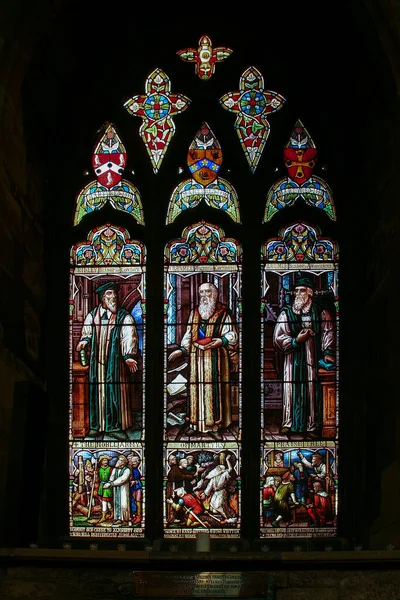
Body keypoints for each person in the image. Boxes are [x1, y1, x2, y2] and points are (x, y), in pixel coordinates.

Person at [168, 282, 238, 433]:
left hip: (217, 357)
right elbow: (188, 334)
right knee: (197, 389)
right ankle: (197, 424)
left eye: (207, 292)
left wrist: (220, 341)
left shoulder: (224, 312)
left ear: (214, 294)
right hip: (197, 358)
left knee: (214, 389)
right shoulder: (195, 313)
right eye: (201, 293)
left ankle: (215, 424)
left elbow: (232, 335)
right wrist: (181, 350)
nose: (204, 296)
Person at [273, 274, 335, 437]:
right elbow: (278, 338)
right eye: (296, 291)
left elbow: (328, 334)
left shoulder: (321, 313)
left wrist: (328, 353)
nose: (298, 294)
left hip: (312, 359)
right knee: (291, 390)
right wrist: (296, 340)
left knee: (310, 390)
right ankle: (288, 423)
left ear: (310, 293)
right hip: (292, 360)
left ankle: (311, 424)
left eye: (302, 291)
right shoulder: (286, 313)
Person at [76, 281, 139, 438]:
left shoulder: (125, 317)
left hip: (115, 363)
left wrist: (129, 356)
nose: (114, 297)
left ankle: (116, 425)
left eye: (115, 294)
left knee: (114, 392)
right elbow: (87, 332)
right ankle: (96, 425)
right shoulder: (92, 315)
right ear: (102, 298)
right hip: (97, 363)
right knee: (96, 392)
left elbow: (128, 336)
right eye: (109, 294)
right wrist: (84, 340)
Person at [201, 453, 238, 524]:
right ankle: (219, 519)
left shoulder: (224, 475)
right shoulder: (214, 478)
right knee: (212, 507)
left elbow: (230, 469)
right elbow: (209, 486)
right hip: (216, 493)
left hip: (222, 492)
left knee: (219, 505)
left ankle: (230, 517)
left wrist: (227, 460)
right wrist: (205, 494)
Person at [103, 454, 131, 525]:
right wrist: (109, 482)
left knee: (124, 504)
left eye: (119, 460)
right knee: (116, 504)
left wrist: (111, 484)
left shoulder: (127, 470)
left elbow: (122, 479)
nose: (117, 462)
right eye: (118, 460)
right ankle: (118, 518)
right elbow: (111, 478)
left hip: (123, 490)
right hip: (115, 489)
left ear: (123, 462)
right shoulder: (115, 469)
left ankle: (125, 519)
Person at [96, 455, 113, 523]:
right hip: (101, 486)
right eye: (104, 460)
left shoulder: (110, 469)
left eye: (107, 460)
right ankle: (112, 513)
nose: (106, 462)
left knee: (104, 501)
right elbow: (97, 478)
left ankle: (103, 516)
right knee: (107, 501)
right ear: (101, 462)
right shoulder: (98, 469)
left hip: (108, 486)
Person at [128, 453, 143, 526]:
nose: (133, 463)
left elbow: (138, 478)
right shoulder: (130, 469)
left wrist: (135, 481)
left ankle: (139, 516)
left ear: (138, 462)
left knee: (138, 501)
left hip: (137, 488)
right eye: (132, 462)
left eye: (135, 462)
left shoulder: (137, 470)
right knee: (132, 501)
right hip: (132, 488)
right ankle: (133, 515)